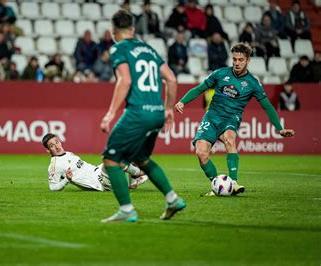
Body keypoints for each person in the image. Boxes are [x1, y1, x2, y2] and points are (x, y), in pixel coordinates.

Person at [174, 43, 295, 196]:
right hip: (212, 117)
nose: (237, 63)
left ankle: (234, 182)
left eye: (241, 60)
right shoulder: (220, 74)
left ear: (248, 61)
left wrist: (279, 128)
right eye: (235, 59)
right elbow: (200, 88)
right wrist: (182, 101)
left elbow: (268, 106)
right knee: (201, 153)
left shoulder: (252, 83)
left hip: (231, 118)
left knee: (230, 139)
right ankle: (217, 185)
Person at [99, 10, 186, 223]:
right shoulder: (149, 49)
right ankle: (172, 199)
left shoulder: (118, 48)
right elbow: (172, 79)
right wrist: (167, 109)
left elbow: (125, 81)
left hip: (137, 113)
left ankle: (127, 209)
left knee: (111, 159)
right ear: (133, 29)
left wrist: (110, 113)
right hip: (156, 112)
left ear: (113, 31)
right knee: (142, 158)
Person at [42, 134, 148, 192]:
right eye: (51, 146)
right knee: (111, 157)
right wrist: (66, 180)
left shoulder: (68, 154)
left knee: (126, 150)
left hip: (98, 170)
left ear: (60, 141)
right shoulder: (55, 165)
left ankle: (134, 182)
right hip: (100, 182)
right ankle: (138, 173)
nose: (56, 146)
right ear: (48, 150)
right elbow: (52, 187)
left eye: (57, 142)